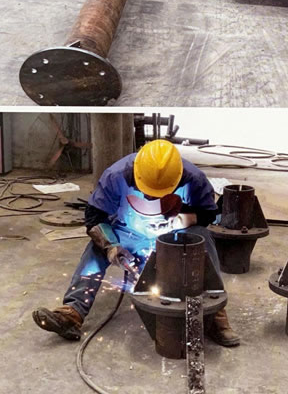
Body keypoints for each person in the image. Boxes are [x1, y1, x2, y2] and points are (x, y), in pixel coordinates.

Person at [32, 140, 240, 347]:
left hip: (173, 234)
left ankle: (214, 314)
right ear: (138, 174)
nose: (152, 197)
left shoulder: (193, 178)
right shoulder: (116, 176)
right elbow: (94, 217)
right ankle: (73, 312)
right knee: (95, 250)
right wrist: (111, 247)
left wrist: (185, 219)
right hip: (129, 234)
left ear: (177, 178)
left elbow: (209, 214)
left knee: (202, 239)